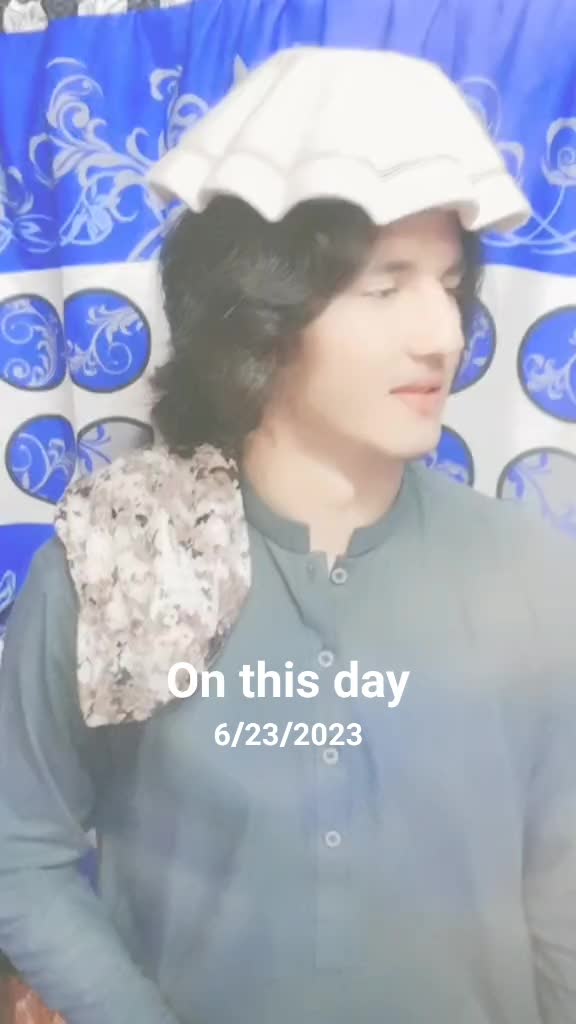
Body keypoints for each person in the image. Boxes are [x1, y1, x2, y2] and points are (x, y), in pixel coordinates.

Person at [0, 45, 575, 1024]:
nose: (442, 334)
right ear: (259, 316)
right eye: (386, 286)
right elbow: (20, 845)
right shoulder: (119, 561)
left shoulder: (533, 575)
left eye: (449, 283)